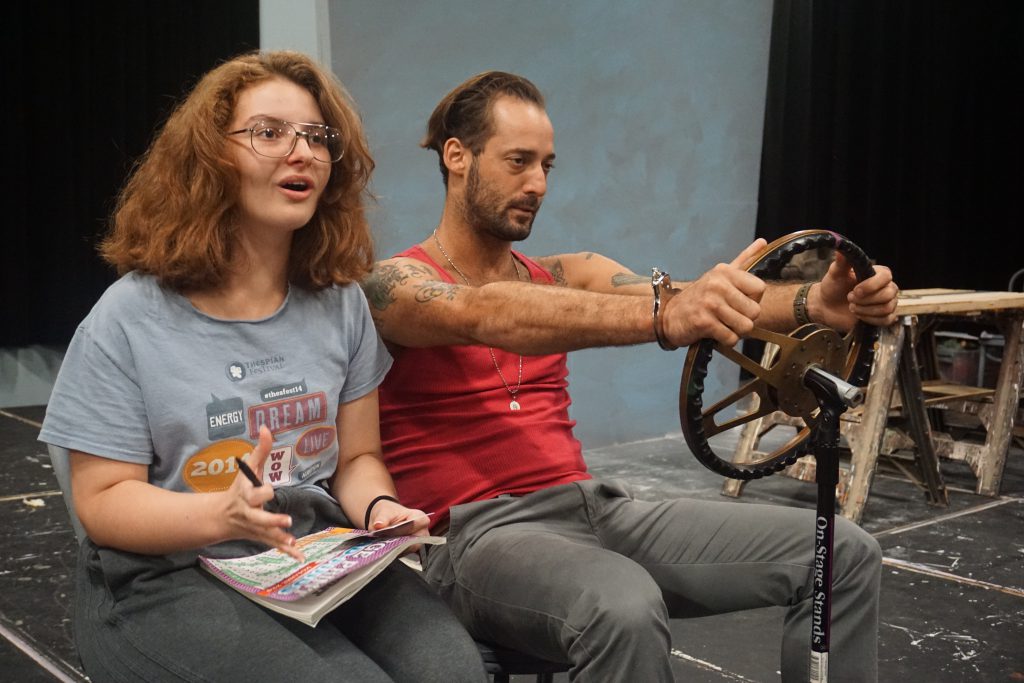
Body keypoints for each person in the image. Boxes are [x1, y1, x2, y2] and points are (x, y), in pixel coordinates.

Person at [362, 71, 900, 682]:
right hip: (474, 539)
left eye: (547, 165)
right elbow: (485, 311)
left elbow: (691, 296)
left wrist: (818, 304)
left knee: (843, 554)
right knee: (621, 604)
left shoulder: (566, 272)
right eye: (518, 161)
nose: (537, 184)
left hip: (593, 510)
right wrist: (666, 315)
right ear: (457, 157)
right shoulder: (392, 286)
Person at [38, 51, 487, 683]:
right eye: (269, 133)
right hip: (164, 577)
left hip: (306, 559)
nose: (301, 152)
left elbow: (356, 460)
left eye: (316, 137)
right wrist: (218, 516)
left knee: (454, 672)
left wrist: (379, 510)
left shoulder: (340, 302)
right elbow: (102, 502)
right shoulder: (128, 318)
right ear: (211, 158)